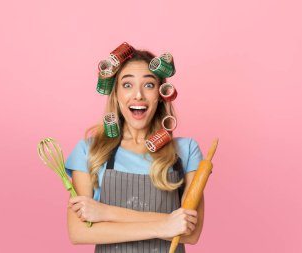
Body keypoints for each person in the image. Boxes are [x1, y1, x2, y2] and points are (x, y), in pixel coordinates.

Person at [65, 48, 205, 253]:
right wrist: (165, 225)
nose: (138, 94)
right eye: (127, 85)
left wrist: (105, 213)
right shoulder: (90, 152)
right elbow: (79, 232)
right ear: (117, 93)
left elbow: (190, 233)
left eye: (149, 85)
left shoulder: (186, 151)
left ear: (160, 93)